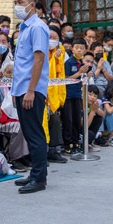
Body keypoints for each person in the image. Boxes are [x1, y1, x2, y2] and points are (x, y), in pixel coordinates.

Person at [10, 0, 50, 194]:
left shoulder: (37, 27)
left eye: (20, 2)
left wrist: (31, 90)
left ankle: (39, 178)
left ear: (32, 5)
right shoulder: (25, 27)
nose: (17, 6)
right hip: (21, 89)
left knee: (35, 134)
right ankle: (35, 173)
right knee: (29, 132)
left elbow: (39, 59)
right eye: (15, 1)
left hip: (30, 90)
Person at [0, 63, 31, 172]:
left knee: (28, 123)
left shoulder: (18, 88)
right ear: (3, 73)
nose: (12, 76)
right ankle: (16, 158)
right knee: (18, 126)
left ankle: (25, 155)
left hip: (8, 120)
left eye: (15, 73)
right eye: (9, 73)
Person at [62, 39, 89, 154]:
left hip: (78, 95)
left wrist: (87, 75)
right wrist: (79, 73)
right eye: (77, 47)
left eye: (82, 48)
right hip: (68, 95)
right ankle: (67, 144)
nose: (79, 50)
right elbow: (65, 79)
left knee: (77, 119)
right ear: (72, 49)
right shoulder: (69, 63)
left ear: (85, 50)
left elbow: (83, 81)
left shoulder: (83, 63)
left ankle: (76, 142)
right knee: (68, 120)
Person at [46, 26, 68, 164]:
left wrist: (57, 59)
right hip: (39, 92)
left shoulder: (60, 52)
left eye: (55, 38)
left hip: (53, 94)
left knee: (54, 118)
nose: (52, 41)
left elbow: (61, 74)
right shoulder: (39, 51)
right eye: (49, 37)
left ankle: (54, 150)